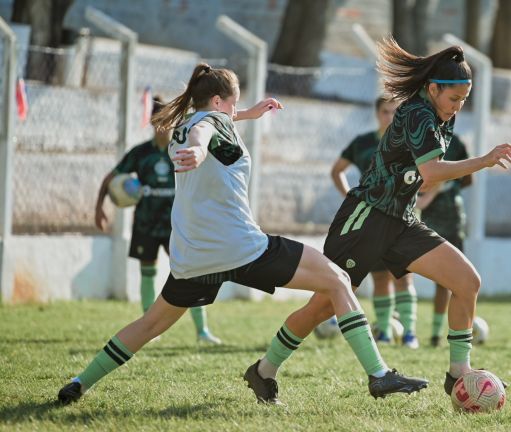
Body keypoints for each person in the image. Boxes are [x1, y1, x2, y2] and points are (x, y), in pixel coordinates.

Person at [57, 64, 428, 405]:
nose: (236, 110)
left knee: (151, 324)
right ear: (218, 102)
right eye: (234, 104)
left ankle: (79, 382)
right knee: (338, 280)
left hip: (193, 254)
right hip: (241, 247)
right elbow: (208, 131)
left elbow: (211, 124)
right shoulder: (205, 129)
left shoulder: (184, 124)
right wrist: (200, 150)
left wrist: (250, 113)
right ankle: (378, 374)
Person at [252, 37, 511, 398]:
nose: (458, 107)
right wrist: (483, 160)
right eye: (454, 99)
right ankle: (264, 370)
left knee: (467, 281)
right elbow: (431, 173)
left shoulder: (440, 115)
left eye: (464, 101)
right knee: (321, 306)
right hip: (365, 218)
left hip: (401, 221)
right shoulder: (418, 114)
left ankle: (458, 373)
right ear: (433, 88)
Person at [94, 96, 221, 345]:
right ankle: (150, 330)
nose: (164, 125)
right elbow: (110, 178)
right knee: (147, 272)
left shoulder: (184, 150)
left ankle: (202, 331)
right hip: (146, 224)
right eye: (159, 120)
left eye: (169, 120)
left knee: (193, 275)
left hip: (179, 225)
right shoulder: (141, 154)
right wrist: (99, 207)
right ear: (152, 121)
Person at [330, 95, 419, 349]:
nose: (390, 117)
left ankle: (410, 334)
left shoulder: (410, 142)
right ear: (377, 113)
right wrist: (350, 195)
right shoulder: (363, 143)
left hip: (403, 219)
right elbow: (337, 170)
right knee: (380, 278)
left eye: (394, 112)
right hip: (372, 219)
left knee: (404, 277)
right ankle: (385, 333)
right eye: (385, 112)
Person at [414, 134, 472, 347]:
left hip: (452, 218)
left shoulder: (456, 143)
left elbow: (468, 178)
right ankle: (429, 332)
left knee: (456, 279)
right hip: (431, 218)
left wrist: (446, 185)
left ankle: (440, 335)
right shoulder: (420, 138)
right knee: (442, 280)